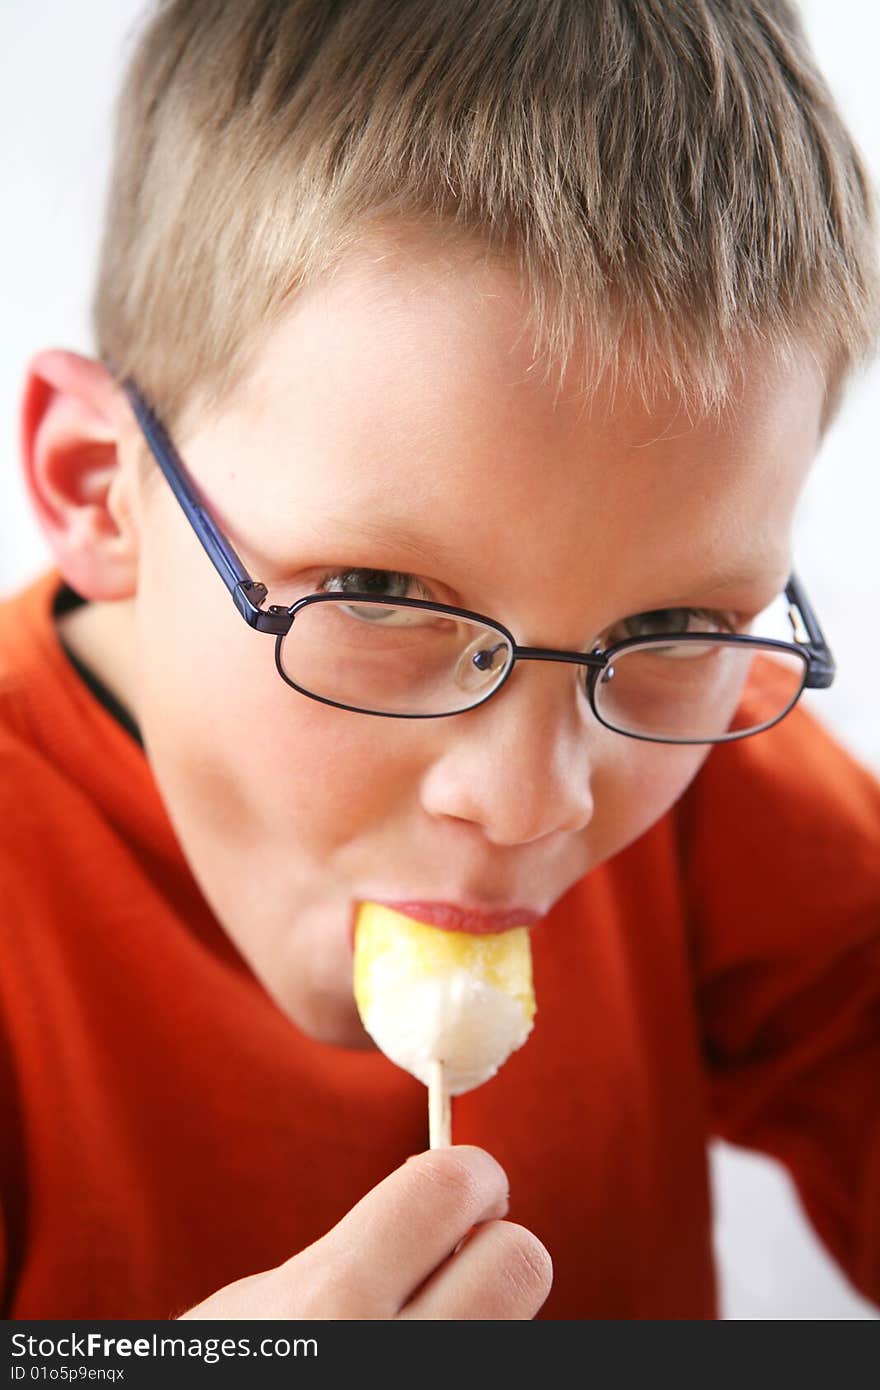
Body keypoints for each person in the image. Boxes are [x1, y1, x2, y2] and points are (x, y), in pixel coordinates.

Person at [2, 0, 878, 1321]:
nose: (536, 801)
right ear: (98, 490)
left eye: (669, 628)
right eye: (382, 593)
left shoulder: (705, 750)